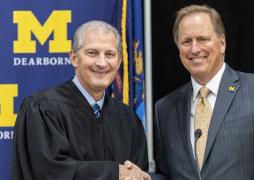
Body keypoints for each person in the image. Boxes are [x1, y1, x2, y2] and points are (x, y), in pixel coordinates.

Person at [153, 5, 254, 180]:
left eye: (203, 39)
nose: (195, 49)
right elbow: (167, 176)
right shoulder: (164, 109)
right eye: (186, 41)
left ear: (222, 43)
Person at [12, 20, 150, 180]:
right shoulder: (42, 108)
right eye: (92, 53)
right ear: (74, 58)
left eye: (110, 54)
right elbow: (47, 172)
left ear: (118, 62)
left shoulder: (128, 119)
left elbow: (137, 173)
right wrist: (114, 173)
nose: (102, 62)